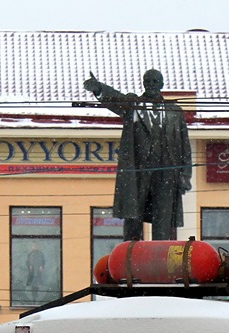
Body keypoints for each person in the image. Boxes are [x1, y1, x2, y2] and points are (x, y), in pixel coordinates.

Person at [82, 68, 192, 241]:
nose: (151, 85)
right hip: (138, 170)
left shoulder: (174, 112)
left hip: (167, 173)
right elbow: (115, 99)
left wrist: (185, 175)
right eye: (148, 81)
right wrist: (99, 88)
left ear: (162, 84)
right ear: (143, 83)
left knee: (163, 218)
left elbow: (185, 146)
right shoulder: (133, 106)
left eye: (155, 81)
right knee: (133, 213)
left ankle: (159, 253)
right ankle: (130, 251)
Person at [24, 240, 47, 305]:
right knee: (32, 285)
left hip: (38, 273)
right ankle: (34, 298)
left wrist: (41, 266)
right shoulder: (30, 254)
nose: (35, 247)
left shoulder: (40, 254)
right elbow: (27, 262)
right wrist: (30, 266)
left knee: (37, 284)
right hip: (32, 273)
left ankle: (36, 297)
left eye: (36, 245)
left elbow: (43, 261)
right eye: (34, 245)